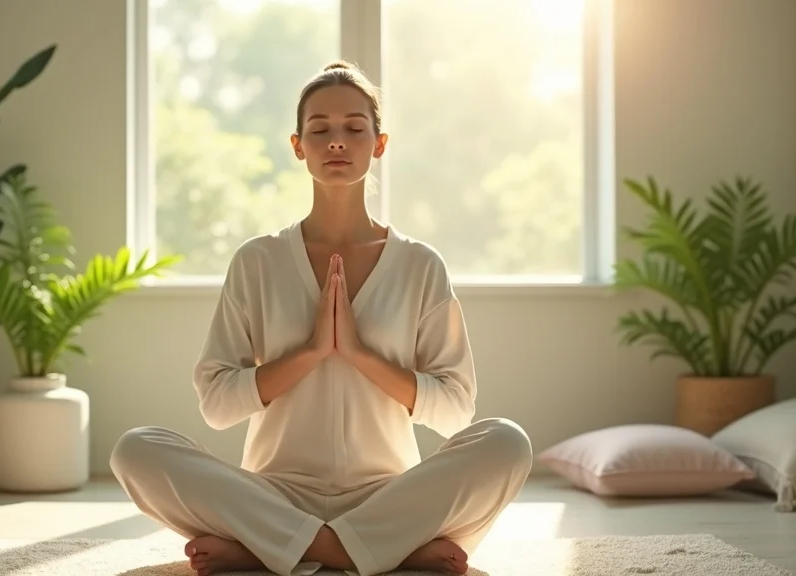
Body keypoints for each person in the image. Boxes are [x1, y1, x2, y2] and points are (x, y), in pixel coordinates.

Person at [110, 60, 532, 576]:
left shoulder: (421, 264)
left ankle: (275, 551)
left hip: (390, 496)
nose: (337, 142)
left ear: (379, 144)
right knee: (136, 450)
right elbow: (217, 404)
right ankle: (371, 551)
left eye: (354, 128)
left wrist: (359, 354)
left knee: (507, 441)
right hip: (272, 495)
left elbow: (455, 411)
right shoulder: (257, 261)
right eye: (321, 130)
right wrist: (310, 352)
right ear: (297, 145)